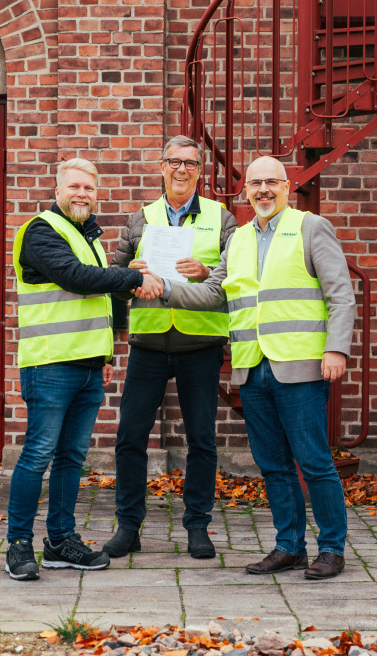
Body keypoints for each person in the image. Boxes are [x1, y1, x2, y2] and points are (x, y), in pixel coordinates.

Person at [141, 154, 355, 580]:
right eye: (255, 184)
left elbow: (341, 293)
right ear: (245, 191)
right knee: (273, 464)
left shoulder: (310, 227)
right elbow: (212, 295)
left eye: (271, 183)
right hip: (252, 368)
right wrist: (165, 287)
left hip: (299, 366)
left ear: (287, 187)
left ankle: (331, 548)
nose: (263, 190)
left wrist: (337, 350)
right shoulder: (237, 239)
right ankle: (289, 545)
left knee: (313, 462)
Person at [5, 157, 164, 581]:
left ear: (97, 195)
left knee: (71, 458)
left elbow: (99, 296)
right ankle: (18, 545)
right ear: (57, 190)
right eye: (74, 187)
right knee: (37, 455)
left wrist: (108, 355)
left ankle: (60, 542)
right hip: (51, 365)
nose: (81, 195)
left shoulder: (89, 236)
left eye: (89, 189)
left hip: (89, 366)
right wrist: (129, 279)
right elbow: (74, 277)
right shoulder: (40, 230)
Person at [103, 136, 238, 560]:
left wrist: (206, 270)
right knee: (130, 437)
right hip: (148, 343)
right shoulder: (139, 219)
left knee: (201, 439)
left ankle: (198, 526)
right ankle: (129, 526)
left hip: (201, 343)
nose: (182, 170)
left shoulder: (223, 218)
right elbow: (113, 284)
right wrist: (130, 276)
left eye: (191, 164)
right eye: (174, 162)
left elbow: (231, 280)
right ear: (162, 167)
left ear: (201, 172)